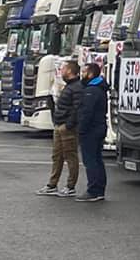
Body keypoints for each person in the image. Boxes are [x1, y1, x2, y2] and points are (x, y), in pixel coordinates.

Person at [40, 65, 85, 197]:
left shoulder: (76, 87)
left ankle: (70, 186)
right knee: (57, 156)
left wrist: (69, 124)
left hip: (66, 126)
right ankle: (52, 184)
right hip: (60, 124)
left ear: (70, 71)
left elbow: (77, 108)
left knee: (70, 156)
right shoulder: (70, 86)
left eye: (63, 69)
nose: (61, 72)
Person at [74, 60, 109, 202]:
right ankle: (99, 189)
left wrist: (80, 130)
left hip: (91, 130)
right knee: (97, 159)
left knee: (91, 161)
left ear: (91, 73)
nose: (82, 75)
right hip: (99, 127)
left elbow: (86, 113)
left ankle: (93, 190)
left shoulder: (91, 91)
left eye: (84, 72)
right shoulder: (99, 88)